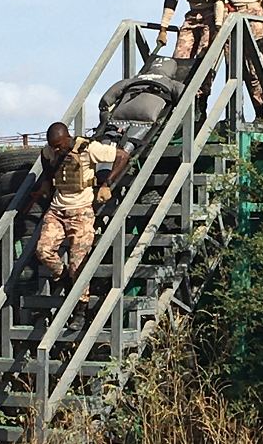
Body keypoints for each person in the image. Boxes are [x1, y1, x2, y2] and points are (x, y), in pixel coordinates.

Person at [34, 122, 129, 331]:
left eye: (59, 145)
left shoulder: (88, 149)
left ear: (67, 137)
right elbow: (45, 158)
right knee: (43, 250)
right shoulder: (50, 151)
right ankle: (64, 279)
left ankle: (81, 309)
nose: (56, 150)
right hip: (57, 209)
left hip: (81, 211)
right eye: (53, 146)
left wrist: (107, 184)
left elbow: (122, 156)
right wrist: (48, 182)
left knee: (79, 263)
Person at [156, 0, 228, 126]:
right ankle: (177, 106)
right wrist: (164, 28)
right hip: (193, 14)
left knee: (204, 60)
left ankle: (200, 106)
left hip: (213, 13)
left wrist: (218, 26)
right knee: (179, 60)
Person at [97, 57, 186, 153]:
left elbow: (106, 99)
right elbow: (185, 98)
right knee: (128, 147)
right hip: (146, 120)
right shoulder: (172, 83)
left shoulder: (131, 80)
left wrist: (104, 113)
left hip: (118, 119)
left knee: (105, 145)